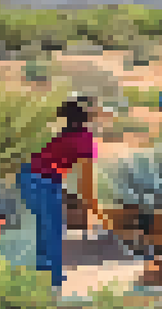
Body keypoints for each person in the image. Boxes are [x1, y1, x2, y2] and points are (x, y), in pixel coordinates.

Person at [18, 95, 103, 291]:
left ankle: (42, 277)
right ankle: (54, 283)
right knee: (54, 230)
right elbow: (86, 179)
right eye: (93, 109)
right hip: (43, 181)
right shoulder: (84, 140)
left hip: (29, 177)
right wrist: (94, 207)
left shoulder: (68, 134)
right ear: (87, 116)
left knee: (44, 228)